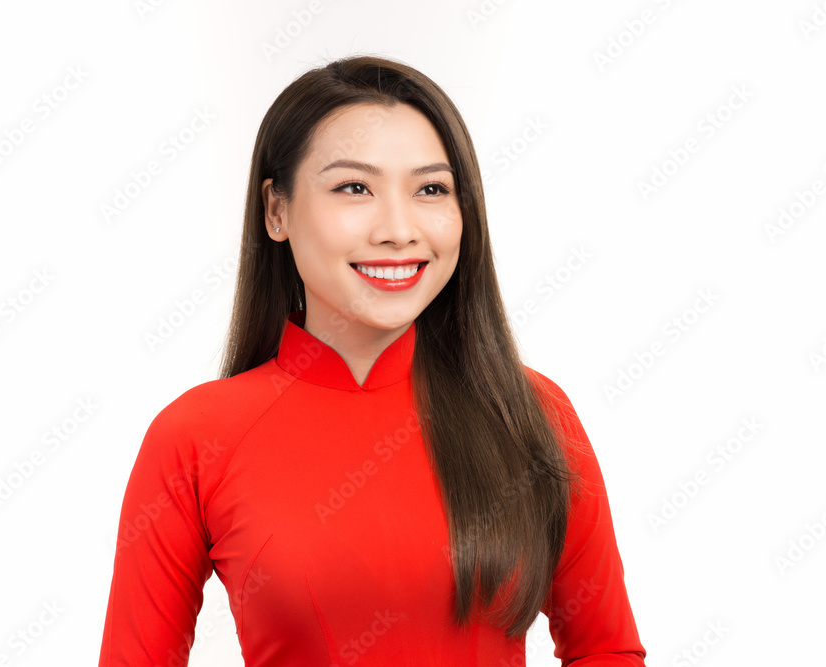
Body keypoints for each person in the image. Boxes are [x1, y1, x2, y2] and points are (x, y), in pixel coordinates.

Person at [98, 54, 647, 666]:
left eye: (431, 189)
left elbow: (606, 650)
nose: (398, 229)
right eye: (354, 187)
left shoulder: (530, 412)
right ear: (276, 210)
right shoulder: (195, 437)